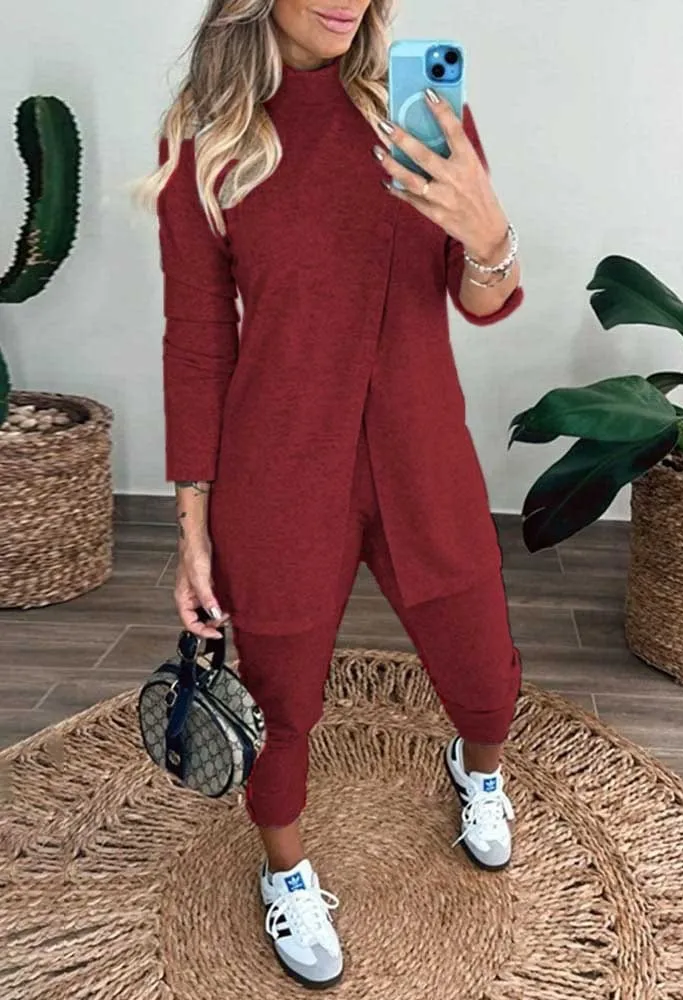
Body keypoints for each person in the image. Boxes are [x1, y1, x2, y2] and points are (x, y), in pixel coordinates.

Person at [144, 0, 524, 989]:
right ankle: (285, 872)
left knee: (484, 669)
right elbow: (198, 341)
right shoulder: (206, 139)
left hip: (421, 450)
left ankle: (476, 771)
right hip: (277, 468)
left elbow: (480, 297)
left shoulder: (419, 112)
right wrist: (191, 527)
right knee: (278, 700)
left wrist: (488, 233)